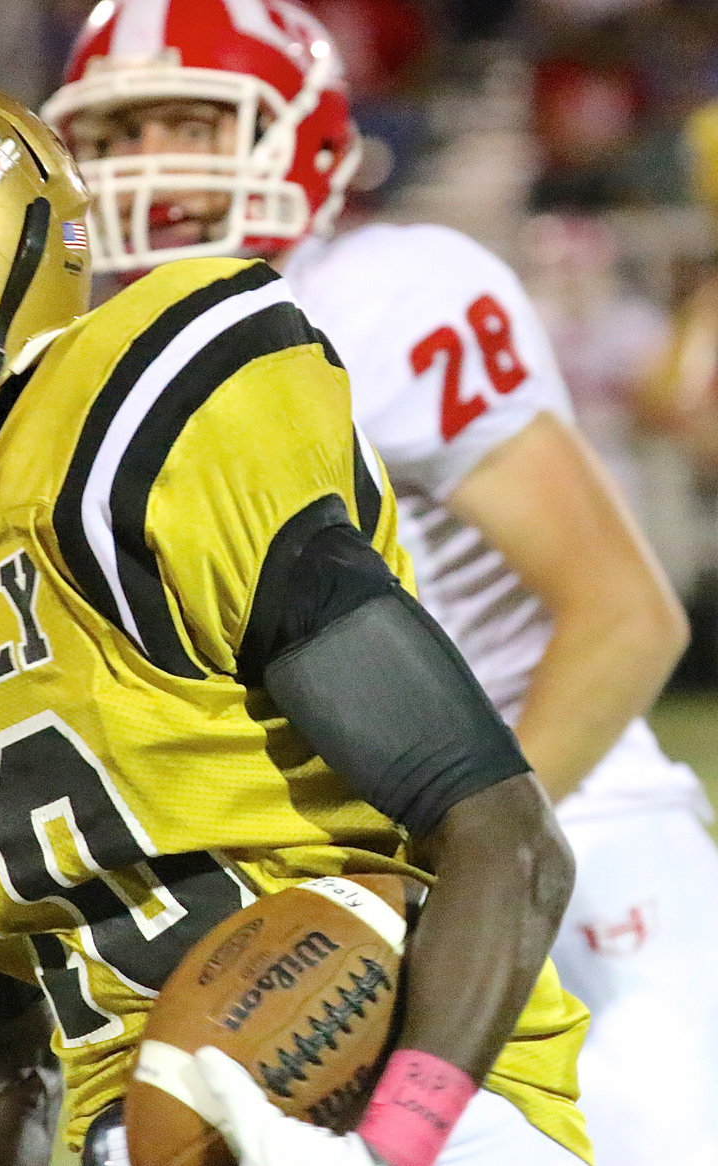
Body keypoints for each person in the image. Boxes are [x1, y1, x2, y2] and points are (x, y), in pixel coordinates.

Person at [0, 62, 590, 1166]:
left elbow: (508, 841)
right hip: (138, 1136)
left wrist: (397, 1141)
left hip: (413, 1081)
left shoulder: (133, 453)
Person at [40, 1, 718, 1163]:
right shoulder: (76, 374)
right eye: (114, 132)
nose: (148, 164)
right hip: (333, 891)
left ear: (300, 136)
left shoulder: (385, 295)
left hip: (571, 839)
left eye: (191, 124)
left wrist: (467, 866)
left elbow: (623, 616)